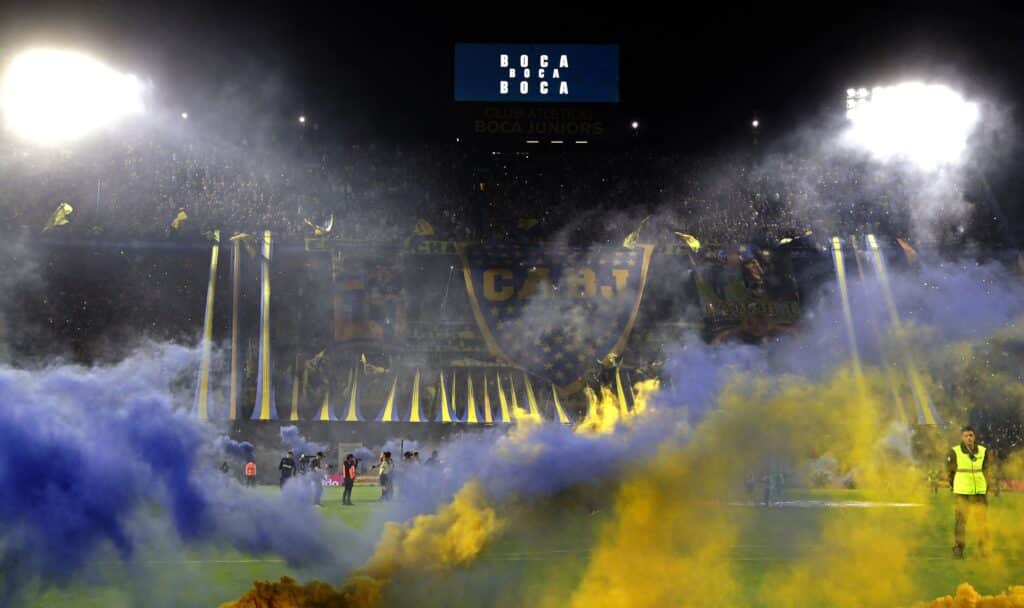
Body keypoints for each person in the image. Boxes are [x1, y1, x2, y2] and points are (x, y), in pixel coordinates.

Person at [946, 426, 990, 559]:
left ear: (974, 437)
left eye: (971, 435)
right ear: (962, 437)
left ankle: (984, 549)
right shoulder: (954, 451)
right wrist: (955, 486)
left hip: (979, 492)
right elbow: (950, 472)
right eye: (966, 435)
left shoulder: (983, 451)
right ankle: (958, 548)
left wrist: (986, 485)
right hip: (962, 491)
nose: (969, 438)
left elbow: (986, 470)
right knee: (960, 521)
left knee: (982, 521)